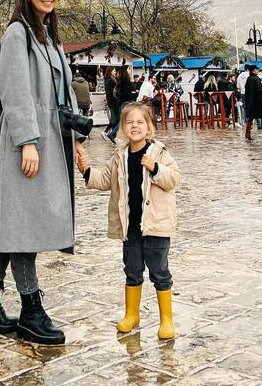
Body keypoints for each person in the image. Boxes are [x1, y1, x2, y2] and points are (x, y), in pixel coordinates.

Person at [0, 0, 86, 346]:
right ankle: (31, 307)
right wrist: (28, 142)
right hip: (29, 140)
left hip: (52, 138)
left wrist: (75, 137)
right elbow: (17, 90)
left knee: (16, 218)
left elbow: (62, 95)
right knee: (23, 221)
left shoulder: (49, 38)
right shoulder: (17, 34)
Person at [77, 102, 179, 341]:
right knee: (132, 271)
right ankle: (131, 314)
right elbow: (105, 180)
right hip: (130, 227)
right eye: (129, 122)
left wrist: (155, 169)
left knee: (160, 272)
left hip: (155, 226)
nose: (135, 126)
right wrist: (85, 170)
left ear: (150, 127)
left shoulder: (160, 153)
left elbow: (173, 178)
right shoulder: (119, 155)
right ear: (122, 128)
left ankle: (167, 319)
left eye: (140, 122)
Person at [244, 65, 262, 140]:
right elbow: (260, 91)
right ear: (253, 70)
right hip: (258, 102)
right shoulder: (256, 79)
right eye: (257, 69)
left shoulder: (249, 79)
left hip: (251, 102)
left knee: (251, 118)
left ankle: (247, 133)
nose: (258, 70)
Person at [111, 66, 134, 139]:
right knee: (125, 120)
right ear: (125, 71)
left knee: (125, 120)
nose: (130, 71)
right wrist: (132, 96)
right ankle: (113, 133)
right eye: (128, 69)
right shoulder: (125, 80)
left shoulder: (120, 80)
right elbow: (126, 93)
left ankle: (123, 135)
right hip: (126, 103)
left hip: (122, 102)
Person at [102, 68, 120, 144]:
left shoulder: (108, 80)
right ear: (110, 71)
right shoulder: (111, 80)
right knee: (116, 119)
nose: (115, 71)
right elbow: (115, 92)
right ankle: (106, 132)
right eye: (114, 70)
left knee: (115, 119)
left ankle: (112, 135)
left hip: (111, 101)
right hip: (113, 102)